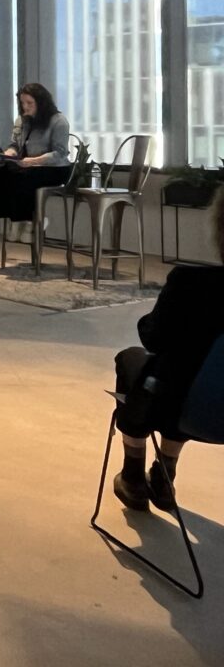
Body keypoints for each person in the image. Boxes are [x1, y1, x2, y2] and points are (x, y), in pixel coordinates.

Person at [110, 193, 224, 513]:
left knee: (132, 360)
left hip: (186, 410)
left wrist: (148, 319)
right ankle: (164, 474)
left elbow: (154, 339)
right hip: (213, 411)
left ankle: (134, 476)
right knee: (192, 375)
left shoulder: (191, 283)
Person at [0, 82, 72, 243]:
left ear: (41, 102)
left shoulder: (58, 121)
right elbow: (15, 144)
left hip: (53, 168)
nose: (25, 107)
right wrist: (9, 153)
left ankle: (31, 220)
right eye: (22, 103)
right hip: (26, 165)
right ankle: (15, 218)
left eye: (29, 103)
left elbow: (60, 153)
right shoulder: (22, 120)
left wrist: (34, 161)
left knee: (24, 178)